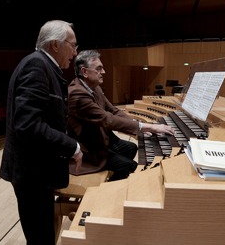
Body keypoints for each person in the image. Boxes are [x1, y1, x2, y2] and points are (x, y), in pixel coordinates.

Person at [0, 20, 83, 245]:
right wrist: (71, 146)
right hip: (31, 174)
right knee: (41, 239)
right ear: (55, 44)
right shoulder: (36, 66)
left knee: (42, 237)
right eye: (73, 45)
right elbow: (28, 125)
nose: (75, 53)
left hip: (36, 172)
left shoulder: (44, 67)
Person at [67, 50, 175, 181]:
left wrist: (140, 126)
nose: (104, 72)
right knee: (131, 166)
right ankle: (108, 192)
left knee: (131, 148)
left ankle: (116, 174)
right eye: (99, 68)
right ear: (84, 72)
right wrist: (148, 127)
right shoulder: (77, 94)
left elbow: (113, 110)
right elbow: (107, 119)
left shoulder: (94, 87)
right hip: (89, 150)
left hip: (102, 138)